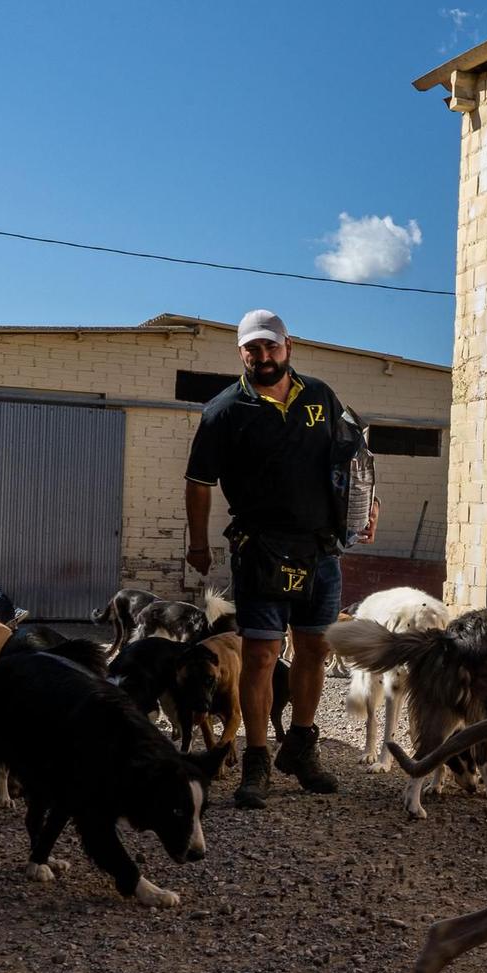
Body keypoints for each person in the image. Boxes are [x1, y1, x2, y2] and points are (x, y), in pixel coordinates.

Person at [183, 309, 370, 807]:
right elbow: (198, 482)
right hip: (260, 547)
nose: (264, 357)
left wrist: (366, 507)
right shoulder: (224, 411)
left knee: (314, 650)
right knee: (263, 654)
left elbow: (355, 457)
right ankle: (258, 760)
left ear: (288, 346)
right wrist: (197, 544)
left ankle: (302, 750)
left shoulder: (321, 397)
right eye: (253, 349)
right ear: (241, 352)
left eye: (272, 347)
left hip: (322, 547)